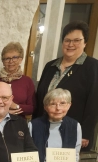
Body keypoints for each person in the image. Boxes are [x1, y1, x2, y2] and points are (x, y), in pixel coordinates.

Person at [34, 20, 98, 151]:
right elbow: (40, 98)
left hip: (72, 130)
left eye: (77, 40)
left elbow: (94, 103)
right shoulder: (50, 66)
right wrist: (35, 126)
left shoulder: (93, 67)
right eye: (67, 40)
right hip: (44, 127)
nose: (71, 44)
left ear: (85, 43)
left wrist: (85, 133)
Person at [0, 42, 35, 117]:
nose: (11, 61)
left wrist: (16, 106)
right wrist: (5, 112)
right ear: (3, 61)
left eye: (14, 57)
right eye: (7, 58)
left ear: (20, 59)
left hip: (18, 124)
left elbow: (32, 108)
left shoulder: (27, 81)